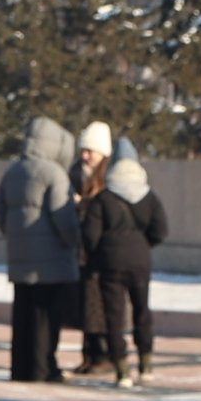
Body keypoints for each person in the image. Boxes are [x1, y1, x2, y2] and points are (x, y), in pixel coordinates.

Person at [0, 116, 80, 382]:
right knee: (46, 318)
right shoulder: (54, 173)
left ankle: (20, 369)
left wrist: (16, 237)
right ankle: (43, 369)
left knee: (22, 316)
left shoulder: (13, 171)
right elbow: (62, 216)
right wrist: (75, 242)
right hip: (51, 261)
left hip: (20, 257)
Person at [81, 136, 168, 387]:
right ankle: (146, 364)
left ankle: (122, 370)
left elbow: (90, 235)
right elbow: (161, 230)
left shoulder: (104, 198)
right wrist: (142, 244)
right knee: (142, 311)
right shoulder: (149, 196)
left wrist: (99, 254)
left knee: (114, 316)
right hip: (140, 261)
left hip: (111, 264)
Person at [70, 121, 113, 374]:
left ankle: (103, 355)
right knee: (85, 305)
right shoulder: (76, 174)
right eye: (83, 150)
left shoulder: (110, 178)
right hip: (82, 250)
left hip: (102, 250)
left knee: (101, 306)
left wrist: (82, 205)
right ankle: (88, 355)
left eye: (90, 151)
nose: (85, 156)